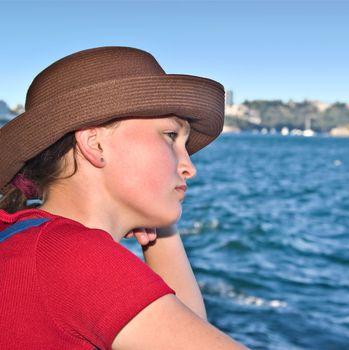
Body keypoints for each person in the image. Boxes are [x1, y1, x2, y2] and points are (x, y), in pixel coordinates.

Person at [0, 46, 247, 349]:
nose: (189, 168)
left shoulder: (28, 241)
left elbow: (185, 329)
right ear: (96, 144)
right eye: (170, 136)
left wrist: (162, 224)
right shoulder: (74, 255)